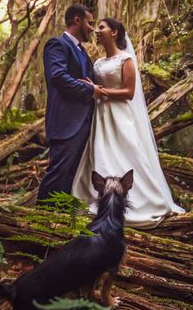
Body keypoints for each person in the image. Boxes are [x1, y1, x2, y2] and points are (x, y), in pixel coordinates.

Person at [72, 18, 185, 228]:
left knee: (128, 151)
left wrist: (100, 91)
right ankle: (103, 199)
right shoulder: (97, 63)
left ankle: (142, 200)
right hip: (101, 114)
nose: (97, 31)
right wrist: (92, 87)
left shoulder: (125, 60)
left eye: (102, 28)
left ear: (114, 32)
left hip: (119, 114)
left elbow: (129, 92)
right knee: (100, 151)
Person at [36, 4, 105, 205]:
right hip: (65, 122)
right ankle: (39, 222)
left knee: (70, 176)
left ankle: (59, 221)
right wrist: (90, 91)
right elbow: (58, 77)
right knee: (57, 173)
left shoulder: (81, 51)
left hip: (83, 122)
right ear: (77, 20)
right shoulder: (57, 44)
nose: (92, 29)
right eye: (90, 23)